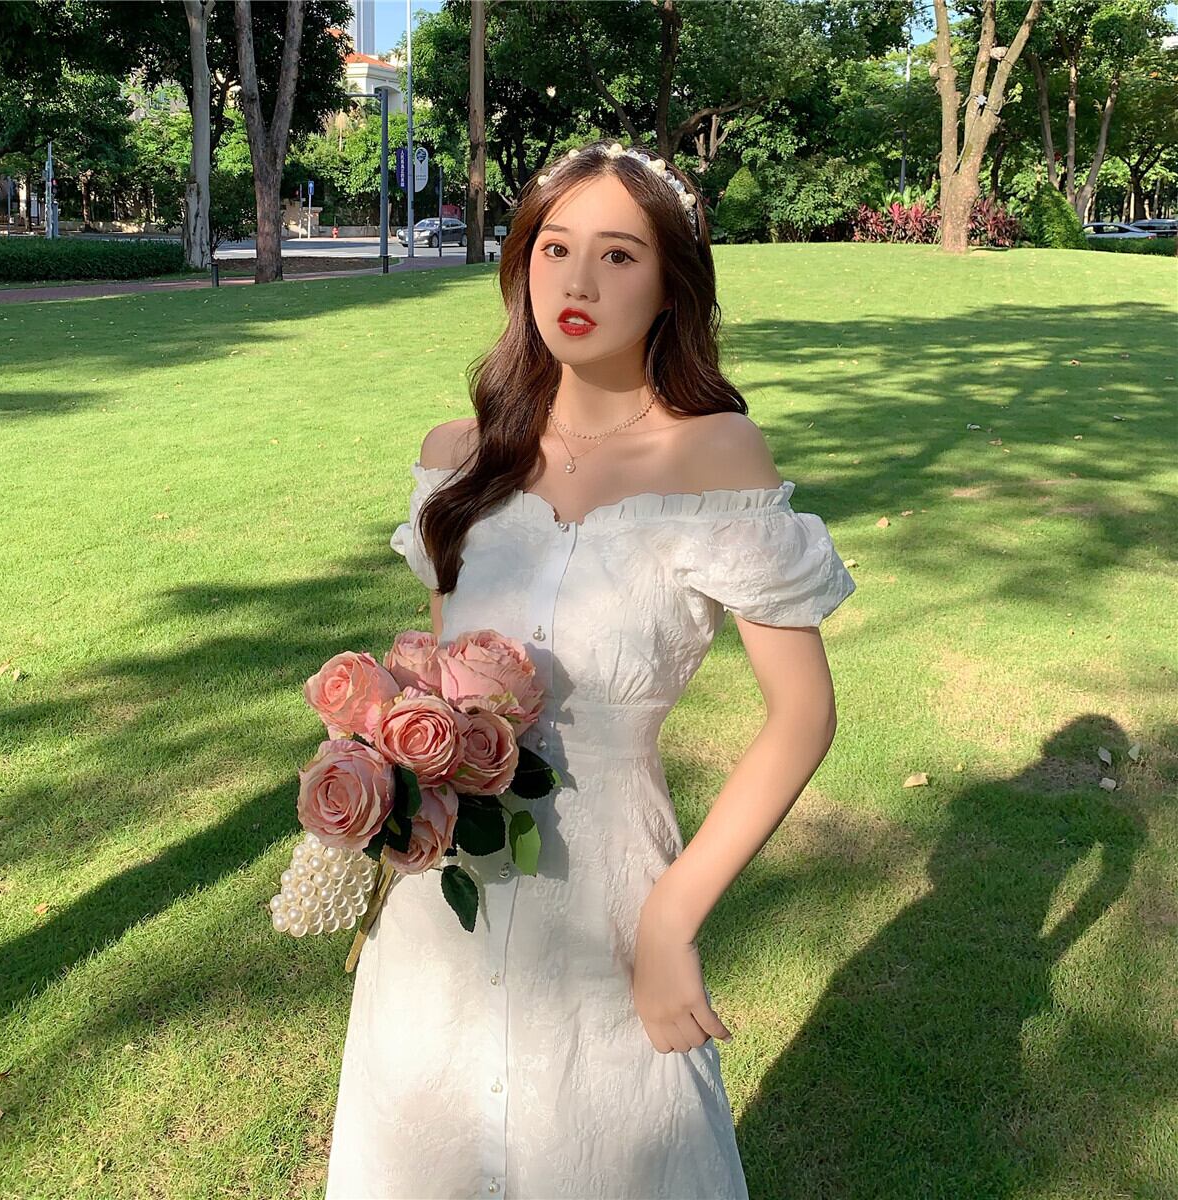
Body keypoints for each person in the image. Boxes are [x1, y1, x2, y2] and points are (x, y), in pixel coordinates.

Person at [325, 137, 856, 1200]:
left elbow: (802, 715)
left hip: (612, 888)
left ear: (670, 285)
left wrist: (670, 919)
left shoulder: (714, 457)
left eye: (618, 255)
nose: (577, 282)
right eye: (554, 248)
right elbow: (434, 675)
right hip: (444, 895)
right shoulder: (456, 456)